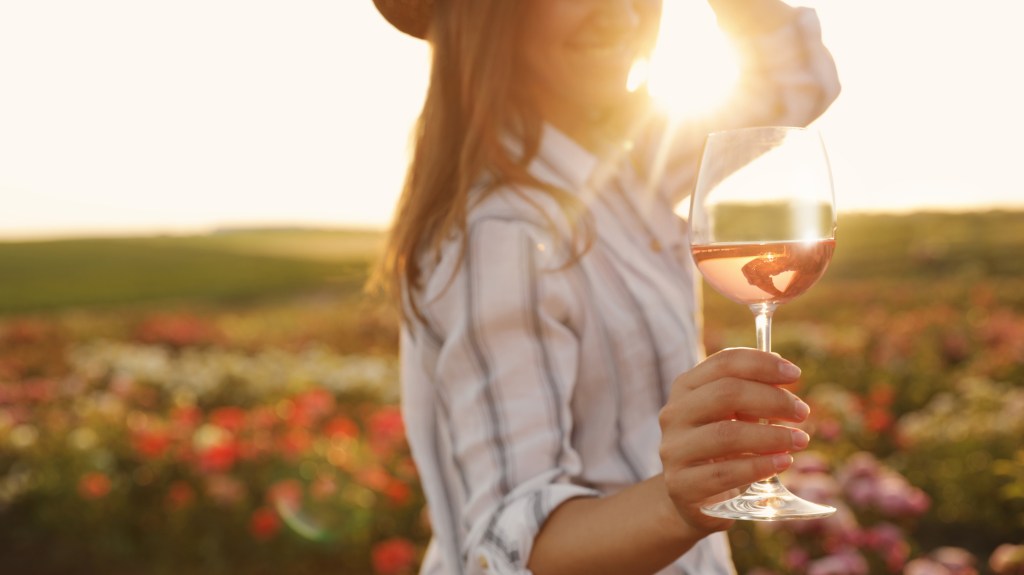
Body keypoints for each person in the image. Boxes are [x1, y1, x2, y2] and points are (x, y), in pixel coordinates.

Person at [370, 1, 840, 574]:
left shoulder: (624, 171)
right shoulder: (505, 234)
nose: (621, 11)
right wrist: (678, 502)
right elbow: (513, 548)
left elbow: (796, 77)